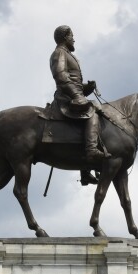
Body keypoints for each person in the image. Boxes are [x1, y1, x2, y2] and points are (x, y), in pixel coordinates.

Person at [50, 25, 108, 185]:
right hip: (66, 98)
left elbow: (74, 82)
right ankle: (91, 151)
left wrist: (86, 88)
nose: (74, 39)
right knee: (93, 109)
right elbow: (61, 76)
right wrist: (76, 94)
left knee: (85, 115)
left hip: (72, 95)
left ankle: (85, 172)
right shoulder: (59, 53)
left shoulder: (68, 54)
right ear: (65, 37)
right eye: (72, 36)